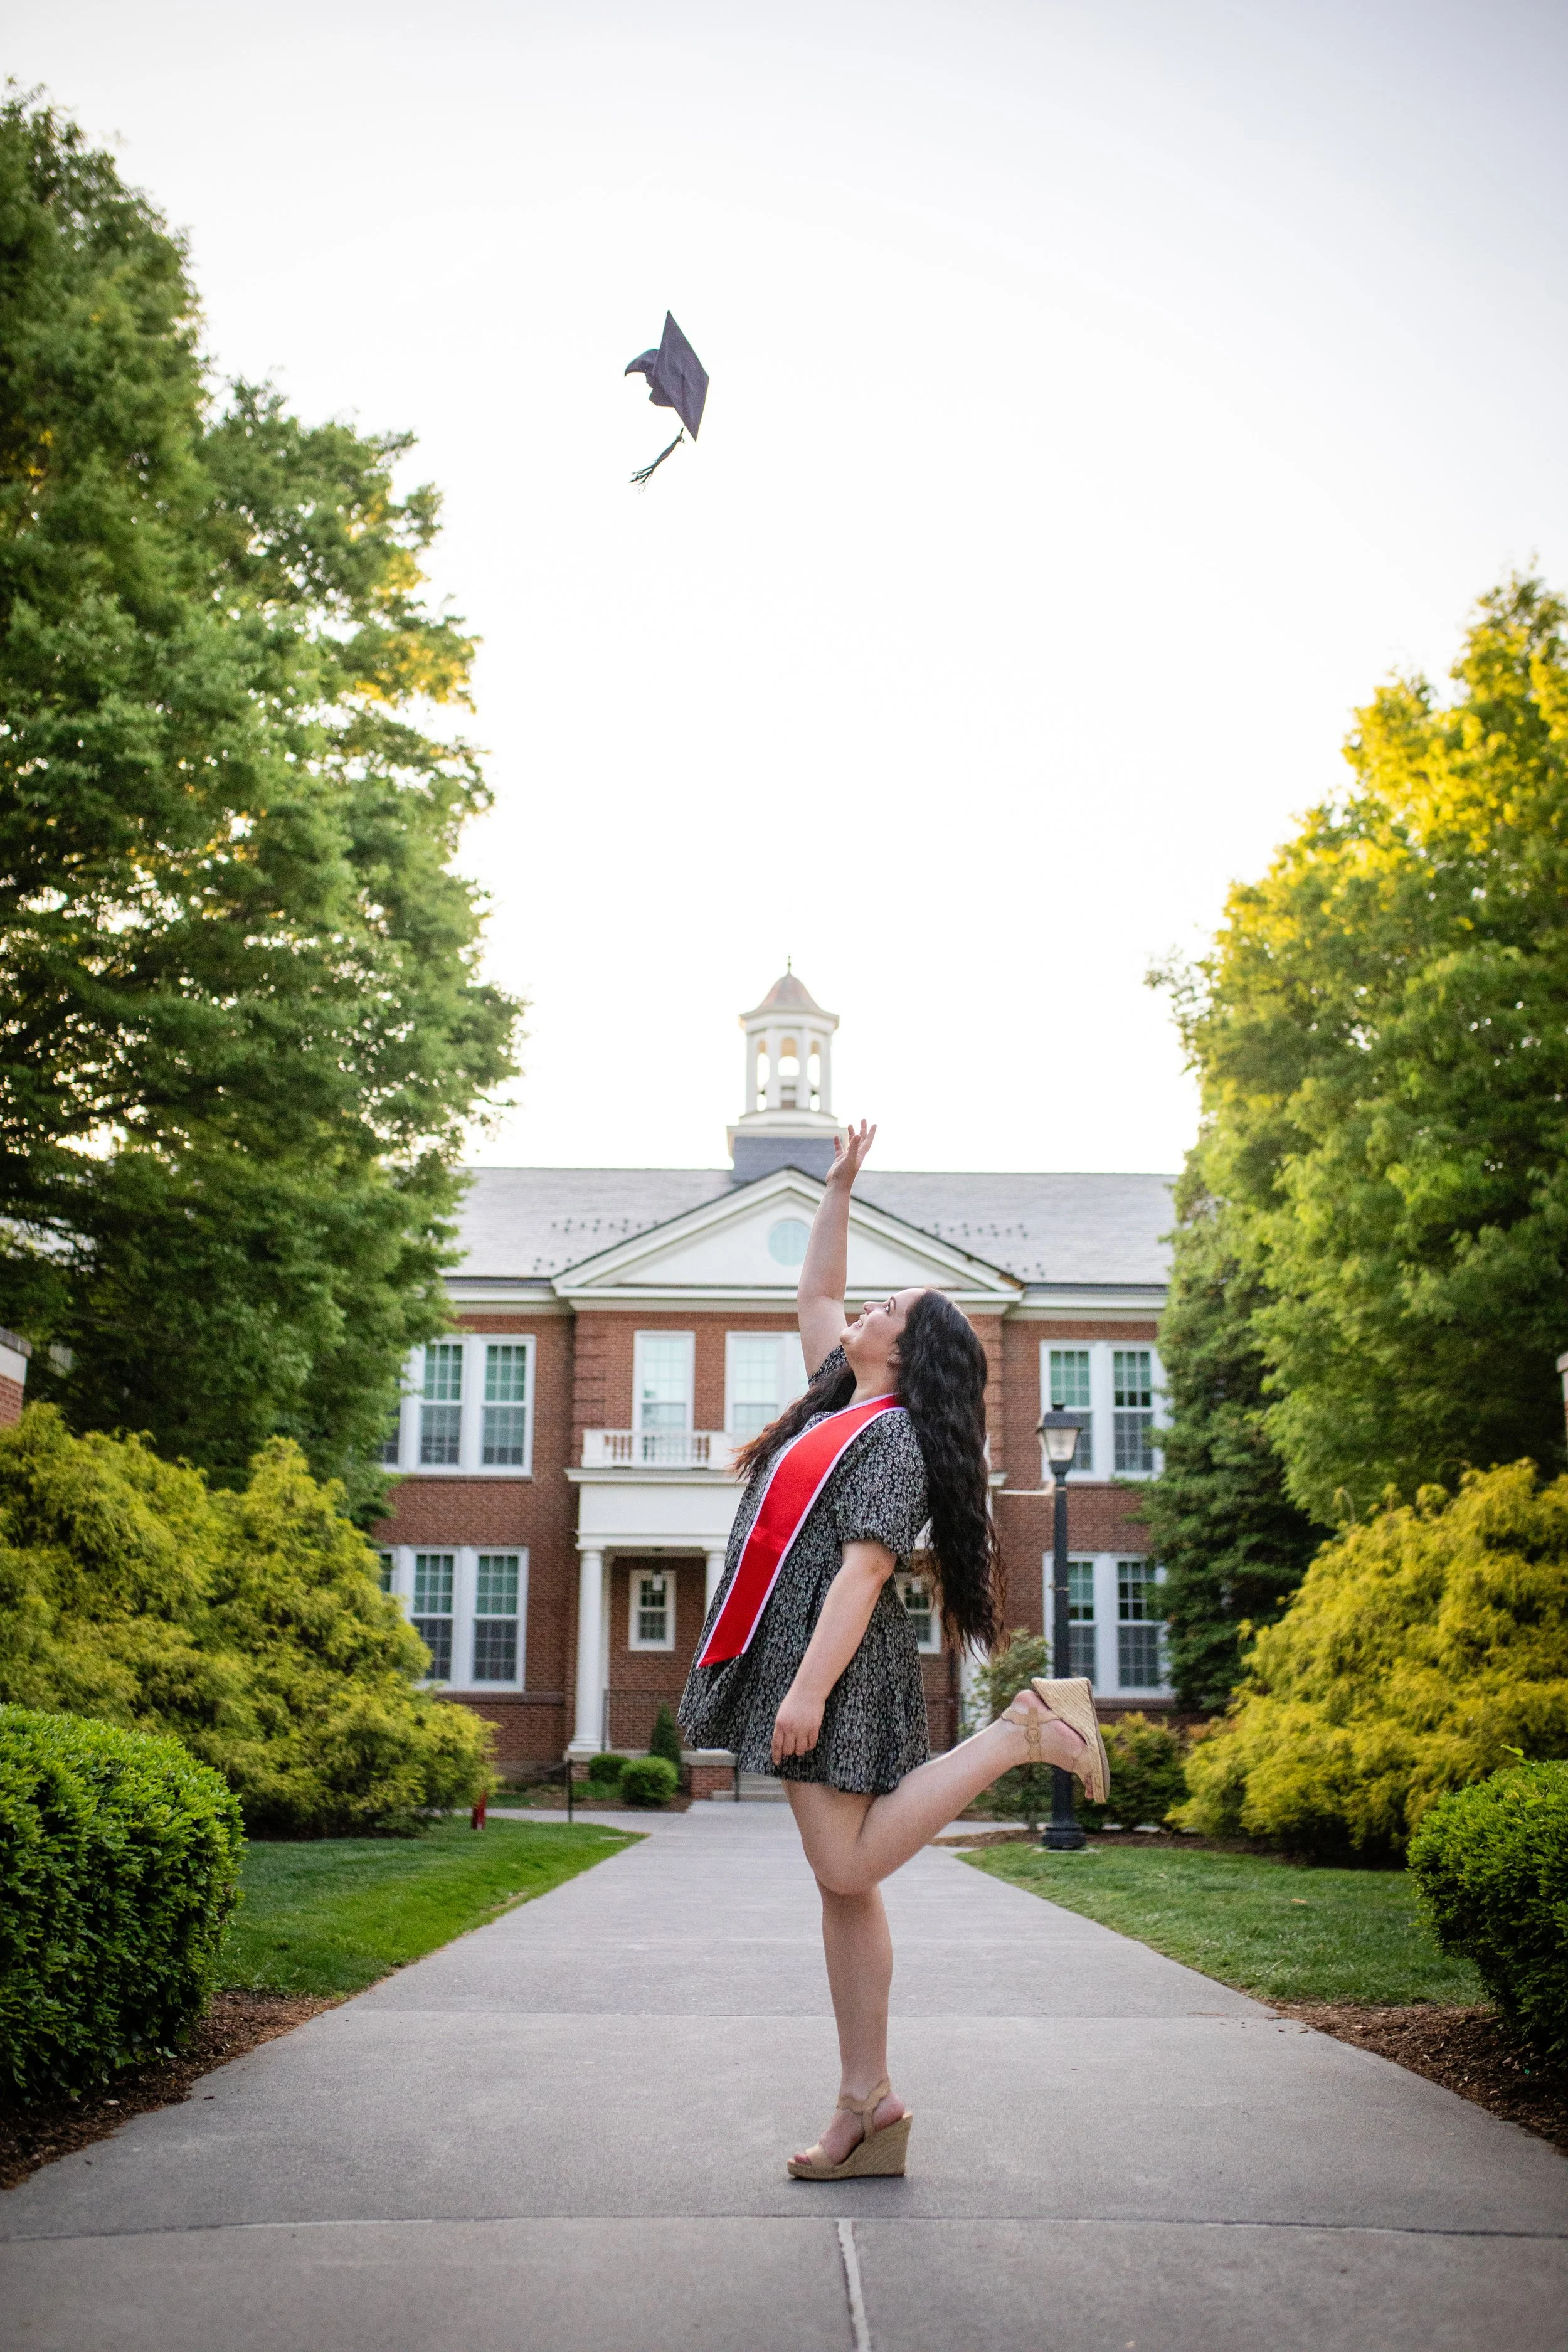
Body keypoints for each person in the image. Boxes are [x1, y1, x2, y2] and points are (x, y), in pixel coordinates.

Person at [680, 1120, 1109, 2180]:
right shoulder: (842, 1399)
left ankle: (1020, 1731)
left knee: (846, 1861)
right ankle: (865, 2101)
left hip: (833, 1665)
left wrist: (807, 1690)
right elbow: (814, 1298)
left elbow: (865, 1571)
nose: (865, 1309)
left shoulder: (898, 1438)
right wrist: (836, 1189)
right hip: (802, 1654)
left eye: (889, 1309)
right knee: (847, 1889)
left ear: (910, 1352)